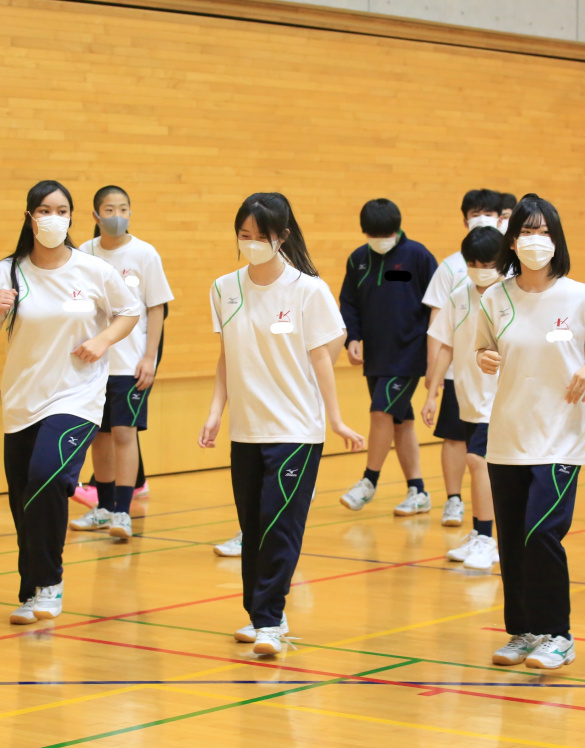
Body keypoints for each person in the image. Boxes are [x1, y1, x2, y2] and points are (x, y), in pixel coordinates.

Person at [200, 192, 364, 656]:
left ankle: (270, 620)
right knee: (253, 527)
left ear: (283, 237)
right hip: (246, 428)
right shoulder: (224, 288)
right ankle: (262, 614)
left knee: (279, 525)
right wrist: (215, 410)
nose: (250, 243)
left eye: (260, 236)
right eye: (244, 235)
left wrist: (335, 419)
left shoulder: (307, 290)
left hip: (295, 430)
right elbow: (227, 356)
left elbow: (322, 359)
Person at [0, 180, 138, 624]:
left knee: (46, 477)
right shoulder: (7, 271)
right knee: (24, 500)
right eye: (45, 210)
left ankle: (50, 583)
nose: (53, 218)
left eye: (62, 211)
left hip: (77, 397)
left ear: (71, 217)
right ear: (30, 217)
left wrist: (103, 340)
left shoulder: (92, 270)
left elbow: (129, 311)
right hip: (22, 400)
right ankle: (31, 591)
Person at [476, 194, 585, 671]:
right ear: (512, 241)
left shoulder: (581, 296)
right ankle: (523, 630)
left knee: (542, 533)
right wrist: (484, 357)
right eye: (526, 231)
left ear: (556, 240)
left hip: (560, 438)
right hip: (507, 437)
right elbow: (482, 348)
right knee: (513, 540)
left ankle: (559, 633)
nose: (535, 240)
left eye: (543, 232)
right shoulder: (495, 297)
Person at [69, 186, 173, 539]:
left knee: (124, 434)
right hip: (93, 364)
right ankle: (103, 507)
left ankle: (123, 513)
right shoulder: (84, 253)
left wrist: (150, 357)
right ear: (96, 216)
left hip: (130, 365)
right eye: (110, 209)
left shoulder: (145, 254)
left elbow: (156, 308)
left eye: (123, 209)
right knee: (99, 436)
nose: (117, 215)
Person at [338, 199, 437, 515]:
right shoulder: (358, 260)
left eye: (386, 234)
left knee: (380, 412)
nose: (380, 240)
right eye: (373, 234)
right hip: (376, 357)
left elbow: (437, 306)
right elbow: (349, 302)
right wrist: (353, 338)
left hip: (409, 354)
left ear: (397, 229)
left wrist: (434, 355)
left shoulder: (418, 257)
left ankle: (369, 481)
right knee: (400, 422)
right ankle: (418, 491)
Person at [421, 226, 503, 570]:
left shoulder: (511, 296)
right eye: (473, 263)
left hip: (499, 401)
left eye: (487, 264)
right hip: (468, 397)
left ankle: (487, 539)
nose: (480, 270)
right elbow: (446, 346)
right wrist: (432, 394)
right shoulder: (459, 296)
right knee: (477, 465)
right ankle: (480, 533)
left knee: (477, 462)